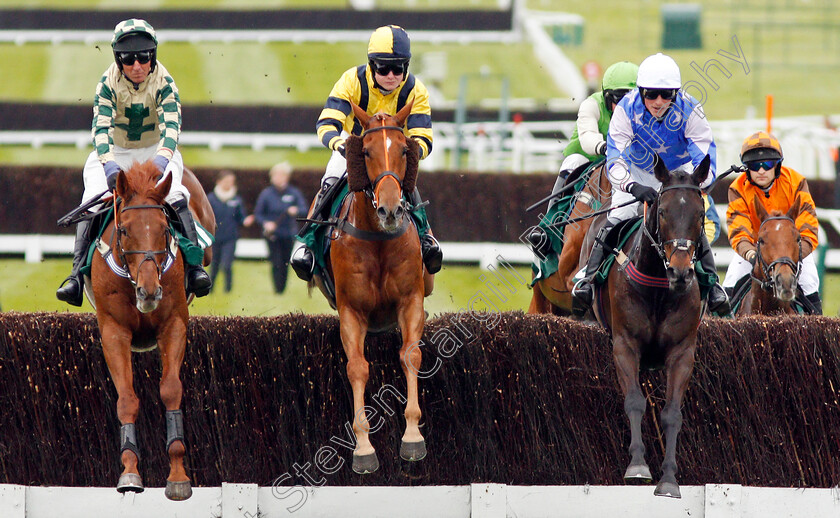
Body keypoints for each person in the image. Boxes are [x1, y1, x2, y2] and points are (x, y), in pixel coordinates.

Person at [55, 18, 211, 306]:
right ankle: (76, 276)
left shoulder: (165, 81)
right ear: (119, 59)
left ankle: (195, 269)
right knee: (92, 198)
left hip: (156, 151)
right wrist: (110, 165)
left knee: (176, 195)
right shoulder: (106, 84)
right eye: (129, 59)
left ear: (153, 56)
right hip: (115, 151)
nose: (137, 65)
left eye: (144, 57)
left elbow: (172, 128)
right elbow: (100, 130)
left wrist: (162, 163)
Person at [571, 52, 730, 314]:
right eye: (652, 94)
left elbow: (704, 153)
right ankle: (588, 279)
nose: (659, 101)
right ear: (641, 90)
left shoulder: (691, 110)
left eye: (666, 95)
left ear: (676, 94)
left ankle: (713, 286)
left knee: (687, 222)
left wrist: (697, 183)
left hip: (679, 173)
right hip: (636, 170)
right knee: (619, 215)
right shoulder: (625, 110)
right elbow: (615, 157)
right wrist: (631, 186)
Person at [290, 24, 442, 281]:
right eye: (384, 68)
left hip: (393, 152)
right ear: (371, 65)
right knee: (329, 182)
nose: (392, 75)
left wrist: (407, 152)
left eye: (399, 67)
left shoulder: (416, 91)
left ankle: (426, 238)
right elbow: (327, 123)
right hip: (354, 146)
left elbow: (423, 137)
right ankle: (308, 244)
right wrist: (341, 145)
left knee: (408, 185)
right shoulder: (351, 81)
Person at [527, 61, 639, 256]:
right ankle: (547, 227)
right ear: (606, 97)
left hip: (624, 165)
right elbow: (588, 138)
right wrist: (607, 148)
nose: (624, 107)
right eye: (619, 100)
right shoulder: (591, 105)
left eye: (630, 101)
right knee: (573, 162)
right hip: (589, 159)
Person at [723, 131, 821, 314]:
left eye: (767, 164)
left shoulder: (797, 182)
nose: (761, 170)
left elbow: (808, 226)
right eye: (754, 165)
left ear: (777, 165)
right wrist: (751, 254)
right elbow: (738, 229)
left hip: (792, 250)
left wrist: (796, 253)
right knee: (730, 281)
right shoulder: (737, 189)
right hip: (755, 248)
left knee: (809, 282)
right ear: (746, 168)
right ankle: (722, 332)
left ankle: (818, 331)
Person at [254, 162, 307, 294]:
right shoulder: (266, 194)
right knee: (276, 261)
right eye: (276, 175)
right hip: (272, 234)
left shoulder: (294, 193)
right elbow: (258, 214)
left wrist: (296, 210)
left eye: (282, 175)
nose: (279, 178)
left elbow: (304, 209)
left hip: (288, 233)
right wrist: (266, 223)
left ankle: (282, 288)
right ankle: (277, 289)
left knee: (285, 262)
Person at [207, 170, 247, 293]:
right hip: (215, 237)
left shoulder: (236, 199)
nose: (229, 184)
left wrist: (246, 221)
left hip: (230, 237)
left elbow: (241, 218)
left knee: (227, 265)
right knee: (214, 265)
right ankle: (210, 289)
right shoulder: (211, 199)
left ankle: (228, 290)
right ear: (219, 182)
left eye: (231, 182)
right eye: (226, 181)